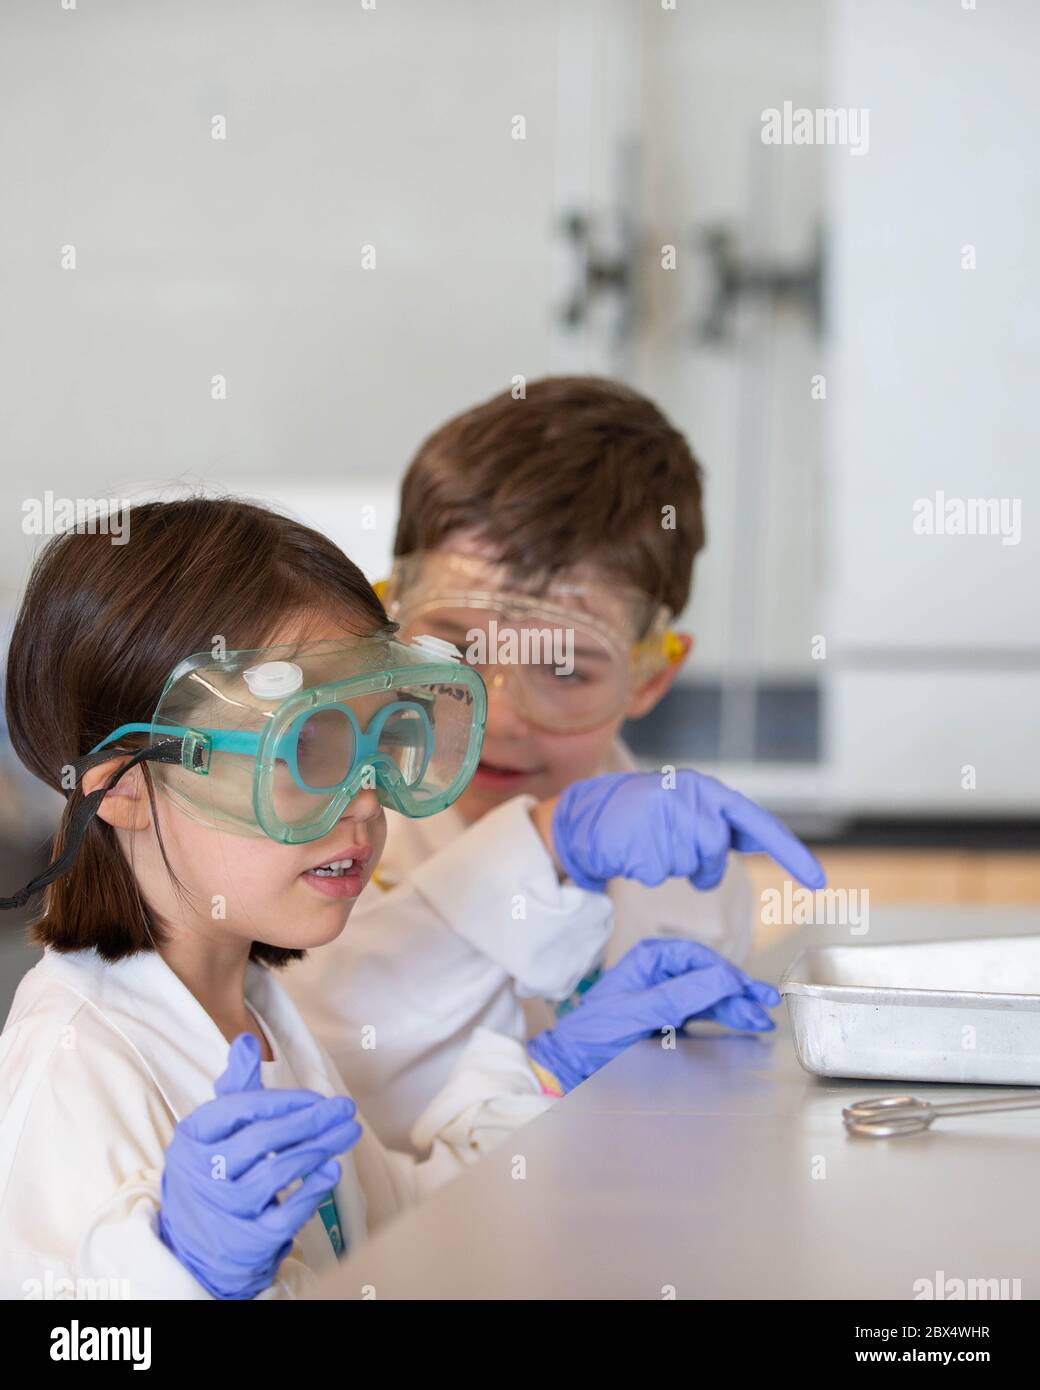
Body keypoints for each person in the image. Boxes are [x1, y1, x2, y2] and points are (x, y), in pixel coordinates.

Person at [0, 497, 784, 1300]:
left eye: (382, 737)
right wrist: (183, 1276)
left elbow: (389, 1240)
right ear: (125, 789)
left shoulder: (251, 1007)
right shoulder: (71, 1060)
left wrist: (548, 1077)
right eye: (307, 744)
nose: (368, 800)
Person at [284, 378, 825, 1149]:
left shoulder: (692, 885)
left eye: (565, 669)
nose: (497, 718)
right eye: (461, 651)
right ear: (389, 627)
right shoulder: (315, 830)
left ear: (652, 675)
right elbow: (321, 1054)